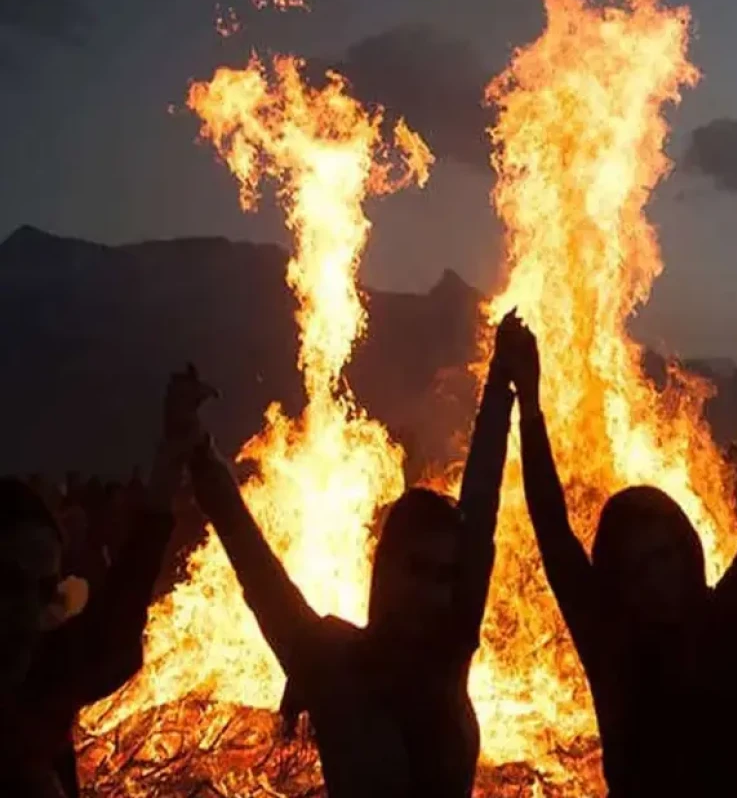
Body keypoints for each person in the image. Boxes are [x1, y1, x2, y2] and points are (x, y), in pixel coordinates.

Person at [508, 293, 737, 797]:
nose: (656, 580)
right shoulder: (614, 644)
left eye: (663, 557)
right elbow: (553, 533)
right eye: (636, 569)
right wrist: (527, 402)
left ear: (688, 550)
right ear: (617, 580)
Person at [182, 315, 521, 798]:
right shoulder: (329, 663)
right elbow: (254, 565)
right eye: (418, 569)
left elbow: (481, 507)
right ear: (386, 570)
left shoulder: (448, 651)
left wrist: (501, 380)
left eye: (445, 576)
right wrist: (197, 448)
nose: (430, 589)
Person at [0, 367, 205, 798]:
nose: (25, 612)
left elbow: (121, 613)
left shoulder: (45, 674)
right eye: (9, 584)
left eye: (42, 590)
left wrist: (171, 457)